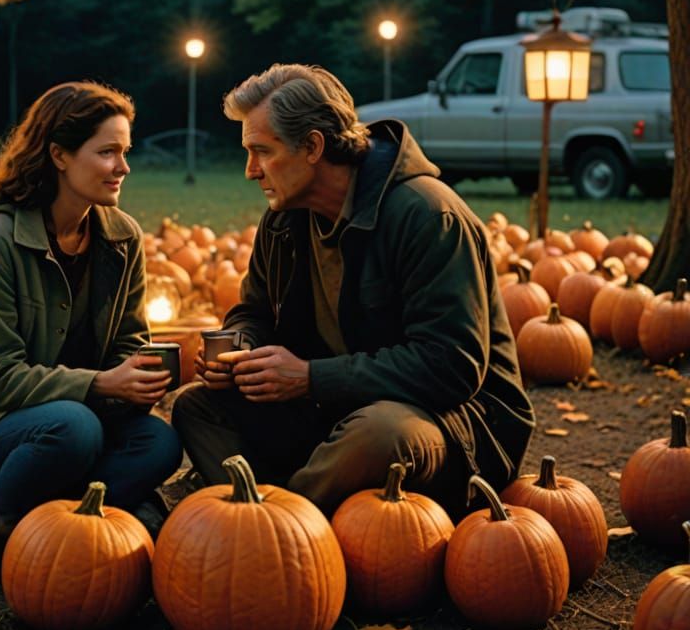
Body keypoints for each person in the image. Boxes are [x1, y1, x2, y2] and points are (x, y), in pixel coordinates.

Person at [171, 64, 534, 518]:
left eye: (261, 152)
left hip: (450, 421)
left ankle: (278, 525)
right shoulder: (283, 219)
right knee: (198, 407)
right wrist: (242, 348)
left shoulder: (427, 215)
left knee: (379, 436)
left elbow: (452, 367)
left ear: (313, 147)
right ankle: (281, 512)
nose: (250, 171)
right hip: (331, 407)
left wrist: (310, 377)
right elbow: (254, 312)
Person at [0, 82, 183, 582]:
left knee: (158, 442)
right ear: (59, 155)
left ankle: (59, 530)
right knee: (75, 428)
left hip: (71, 417)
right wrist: (100, 384)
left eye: (126, 152)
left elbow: (128, 341)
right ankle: (0, 535)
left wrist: (143, 374)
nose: (124, 167)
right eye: (108, 152)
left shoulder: (123, 238)